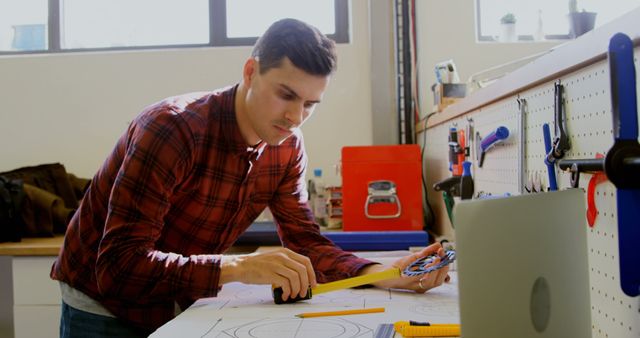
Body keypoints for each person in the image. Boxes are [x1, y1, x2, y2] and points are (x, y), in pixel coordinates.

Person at [50, 18, 450, 337]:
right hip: (102, 303)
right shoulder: (173, 128)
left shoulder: (287, 146)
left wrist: (383, 275)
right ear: (250, 71)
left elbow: (305, 241)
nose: (295, 117)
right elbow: (119, 265)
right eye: (286, 95)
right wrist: (239, 268)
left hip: (176, 298)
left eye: (311, 104)